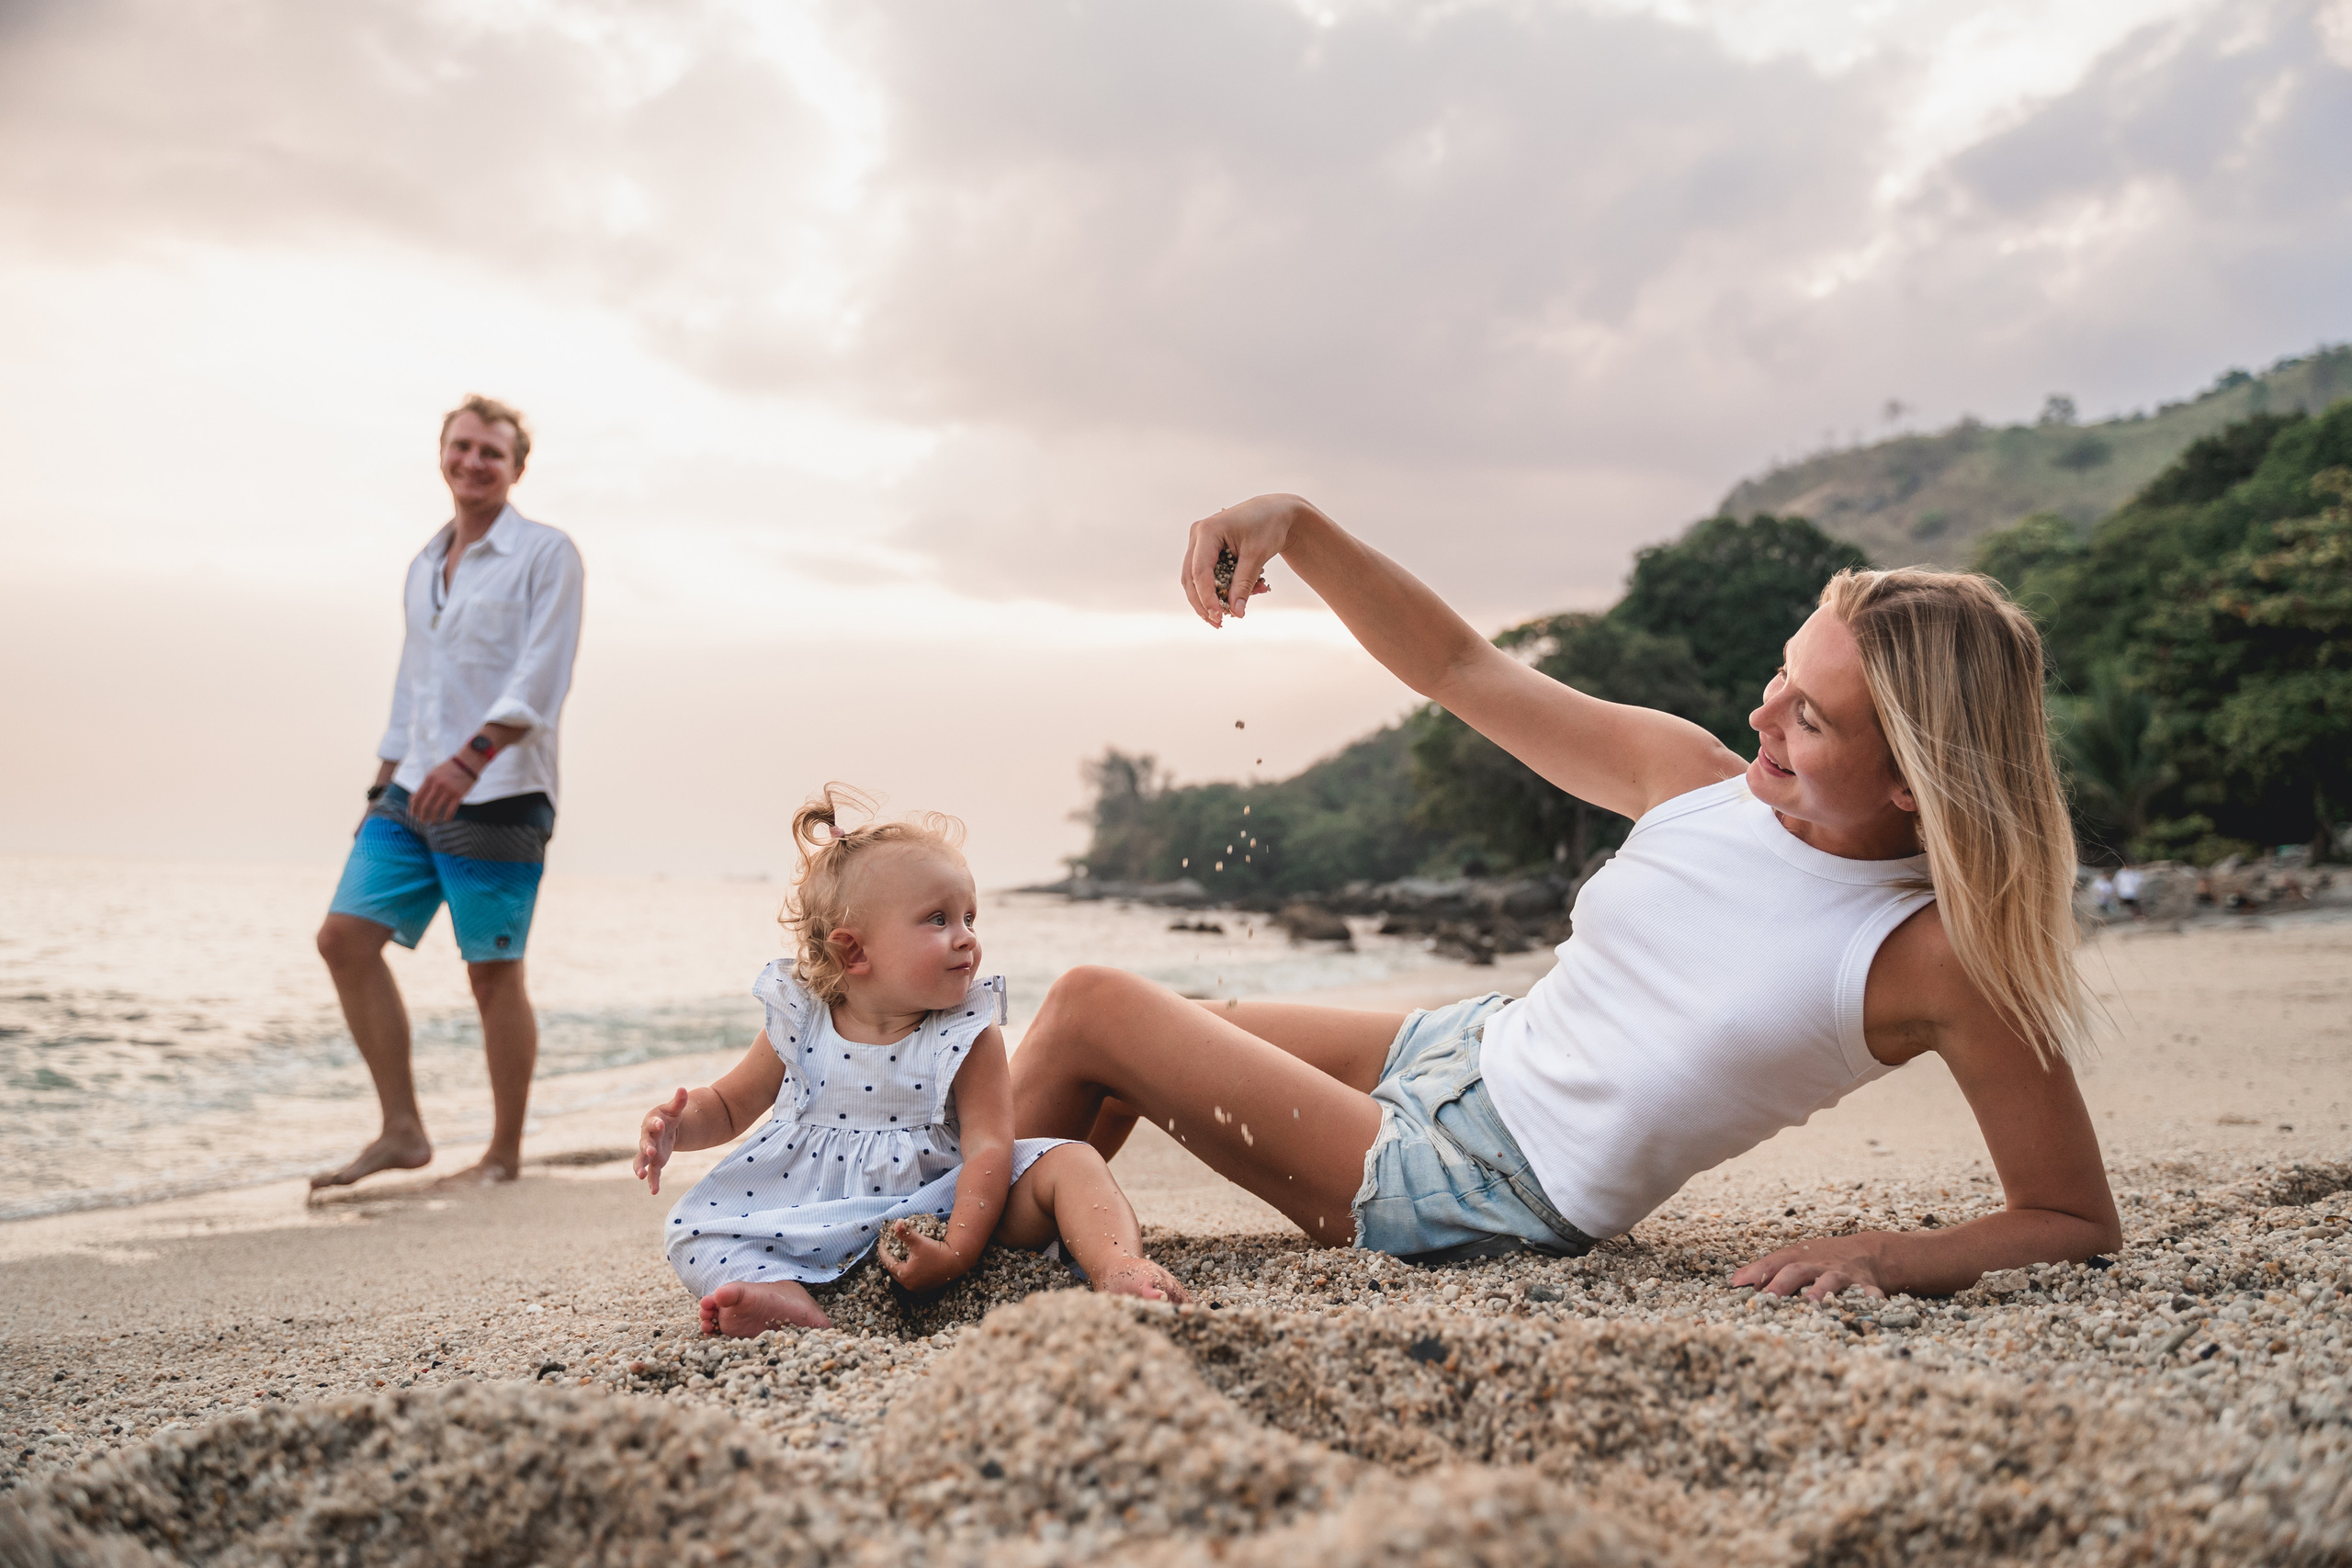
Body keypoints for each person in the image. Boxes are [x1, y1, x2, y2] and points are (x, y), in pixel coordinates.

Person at [1008, 493, 2120, 1301]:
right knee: (1113, 1067)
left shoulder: (1928, 957)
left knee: (1093, 1006)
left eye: (1808, 720)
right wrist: (1297, 526)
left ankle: (904, 1240)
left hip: (1484, 1189)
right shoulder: (1695, 782)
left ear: (1912, 783)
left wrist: (1884, 1255)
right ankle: (973, 1227)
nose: (1760, 719)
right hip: (1451, 1050)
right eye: (1782, 674)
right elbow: (1458, 669)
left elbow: (2070, 1218)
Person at [634, 786, 1188, 1336]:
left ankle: (1117, 1264)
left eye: (970, 918)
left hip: (946, 1204)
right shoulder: (803, 1016)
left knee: (1071, 1161)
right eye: (938, 920)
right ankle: (782, 1297)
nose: (966, 938)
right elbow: (730, 1105)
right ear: (854, 952)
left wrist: (959, 1249)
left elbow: (989, 1146)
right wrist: (677, 1127)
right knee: (694, 1231)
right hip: (814, 1212)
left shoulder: (966, 1029)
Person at [312, 396, 585, 1190]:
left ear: (516, 468)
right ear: (443, 453)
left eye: (491, 453)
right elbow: (415, 683)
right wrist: (382, 780)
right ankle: (401, 1129)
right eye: (461, 447)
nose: (473, 462)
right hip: (412, 786)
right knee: (342, 940)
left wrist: (471, 758)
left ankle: (502, 1156)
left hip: (500, 788)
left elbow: (544, 672)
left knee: (491, 972)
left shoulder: (546, 553)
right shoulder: (424, 563)